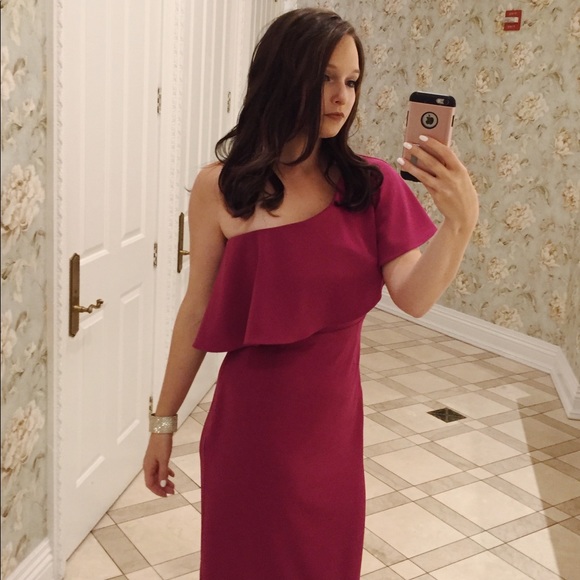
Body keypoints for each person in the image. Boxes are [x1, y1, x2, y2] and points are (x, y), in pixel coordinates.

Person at [143, 7, 478, 579]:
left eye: (352, 81)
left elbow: (414, 297)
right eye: (325, 77)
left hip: (331, 439)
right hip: (247, 433)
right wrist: (163, 423)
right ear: (282, 75)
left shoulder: (370, 185)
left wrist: (460, 223)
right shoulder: (220, 188)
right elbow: (195, 310)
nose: (342, 96)